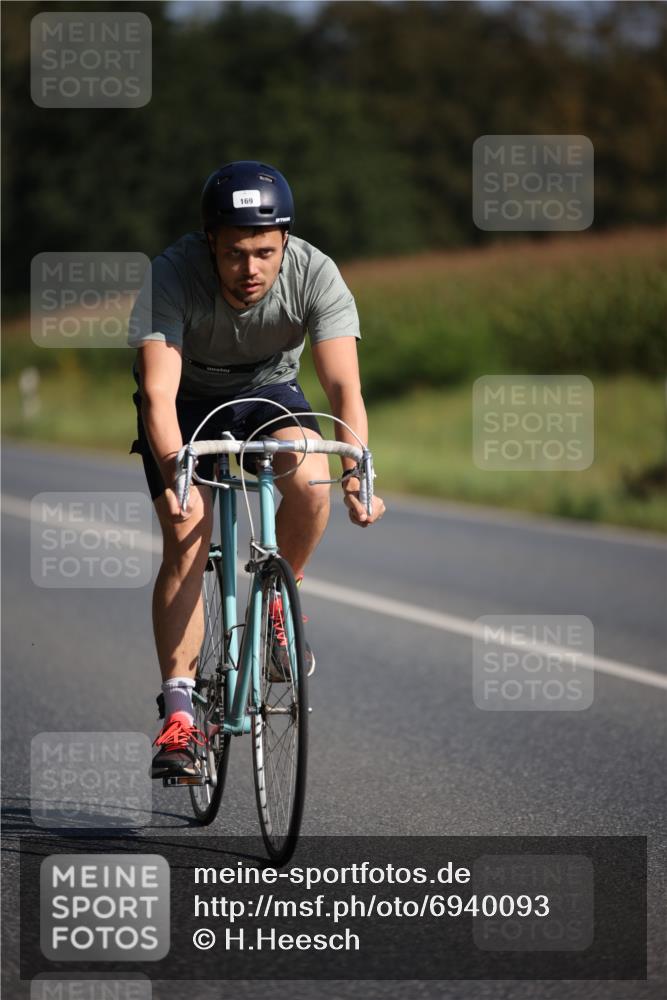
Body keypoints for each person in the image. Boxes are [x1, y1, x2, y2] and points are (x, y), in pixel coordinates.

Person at [128, 160, 385, 779]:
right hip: (185, 403)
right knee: (188, 537)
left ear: (286, 242)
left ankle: (279, 596)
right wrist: (178, 478)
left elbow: (344, 387)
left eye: (265, 252)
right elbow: (158, 395)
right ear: (210, 241)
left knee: (310, 473)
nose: (251, 270)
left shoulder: (316, 274)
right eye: (236, 253)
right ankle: (181, 713)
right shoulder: (171, 274)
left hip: (269, 393)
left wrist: (355, 476)